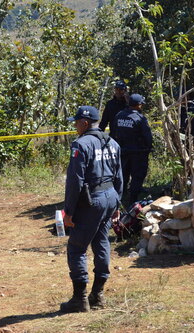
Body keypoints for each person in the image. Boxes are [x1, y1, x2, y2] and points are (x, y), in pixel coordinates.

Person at [61, 106, 123, 313]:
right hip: (110, 197)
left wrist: (68, 212)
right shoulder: (112, 142)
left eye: (77, 122)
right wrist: (117, 205)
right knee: (101, 241)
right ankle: (98, 294)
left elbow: (75, 181)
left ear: (85, 123)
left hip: (92, 201)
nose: (75, 126)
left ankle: (80, 299)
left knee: (77, 247)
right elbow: (119, 176)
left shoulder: (81, 144)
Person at [109, 93, 152, 205]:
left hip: (122, 152)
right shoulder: (140, 118)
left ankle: (119, 199)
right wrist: (148, 148)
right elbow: (147, 136)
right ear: (138, 105)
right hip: (138, 153)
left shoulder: (119, 115)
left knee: (122, 175)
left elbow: (113, 133)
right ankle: (133, 201)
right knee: (137, 177)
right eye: (141, 104)